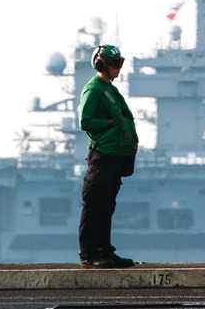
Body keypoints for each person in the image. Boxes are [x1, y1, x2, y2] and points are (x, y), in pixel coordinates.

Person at [78, 44, 138, 268]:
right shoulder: (94, 90)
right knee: (94, 205)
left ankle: (105, 252)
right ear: (101, 65)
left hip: (115, 156)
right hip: (103, 156)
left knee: (107, 206)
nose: (119, 68)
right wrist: (110, 123)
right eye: (115, 64)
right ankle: (89, 255)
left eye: (120, 63)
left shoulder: (110, 89)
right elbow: (85, 122)